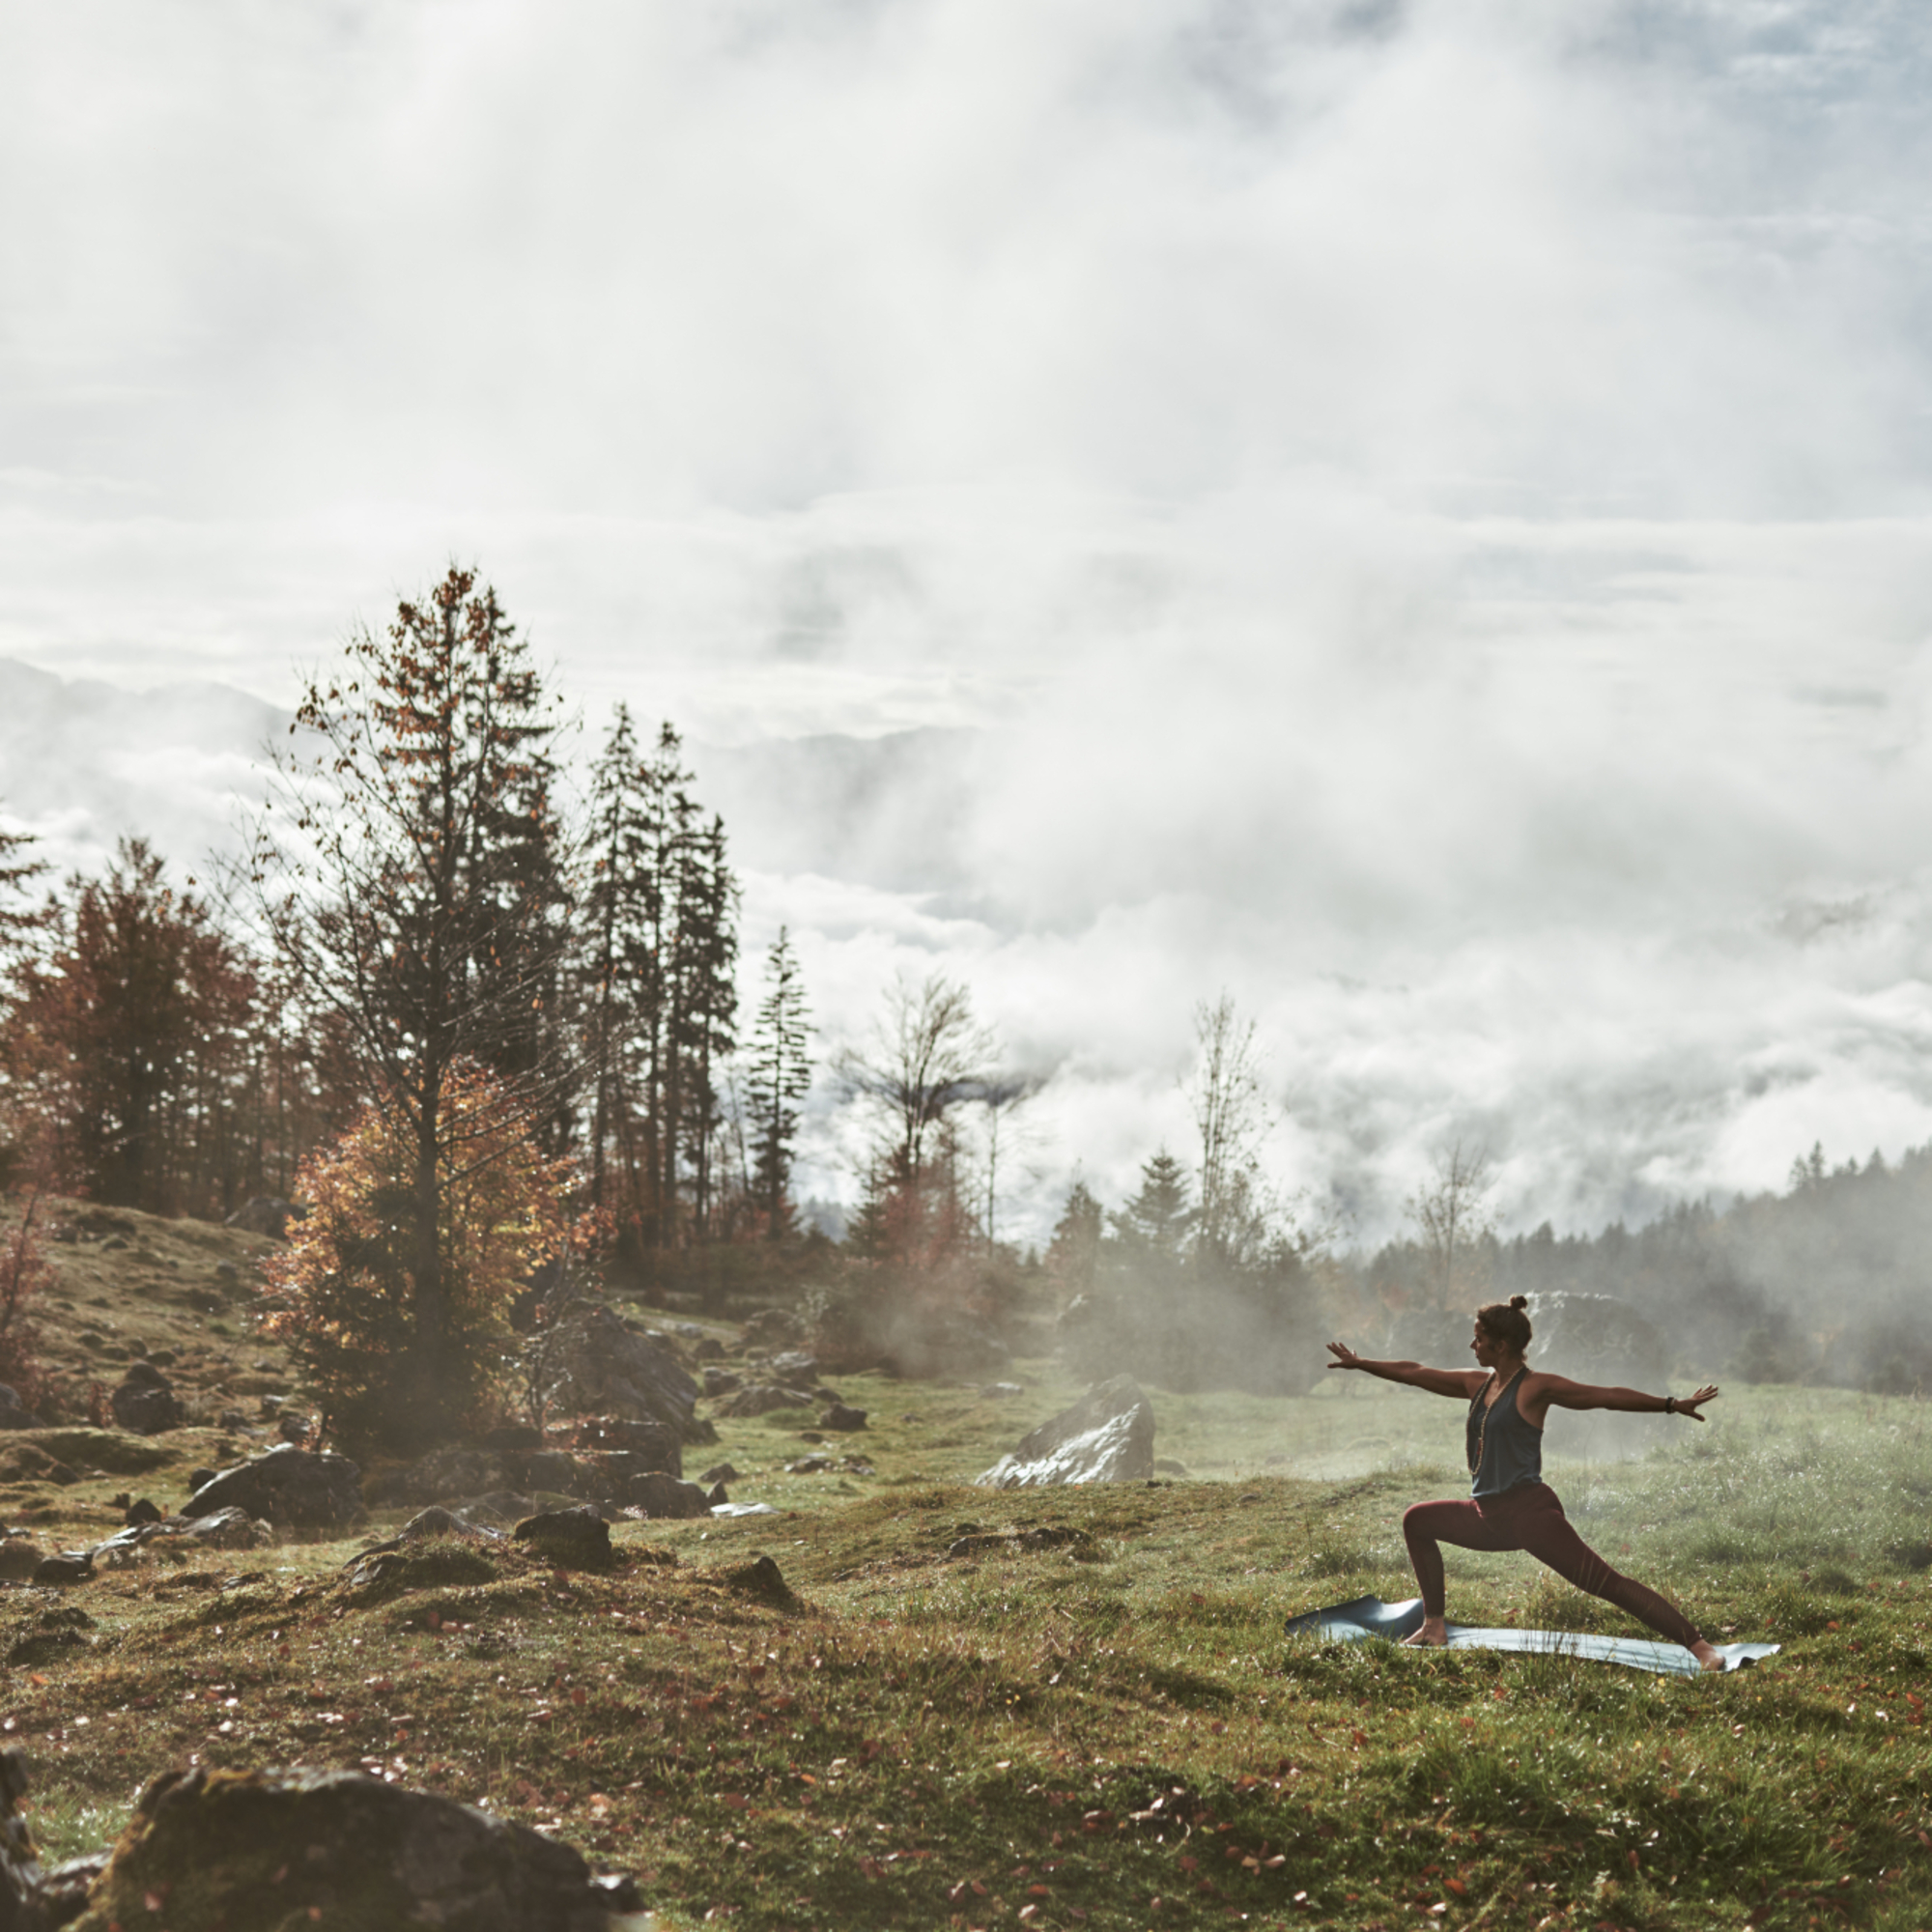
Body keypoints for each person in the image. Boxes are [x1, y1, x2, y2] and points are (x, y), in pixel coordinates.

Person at [1325, 1294, 1724, 1671]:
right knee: (1417, 1520)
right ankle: (1433, 1627)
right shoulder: (1477, 1385)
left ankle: (1700, 1647)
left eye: (1478, 1339)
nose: (1471, 1345)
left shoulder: (1535, 1388)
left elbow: (1604, 1395)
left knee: (1607, 1584)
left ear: (1500, 1345)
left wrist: (1671, 1404)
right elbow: (1416, 1373)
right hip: (1487, 1515)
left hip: (1530, 1515)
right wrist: (1362, 1363)